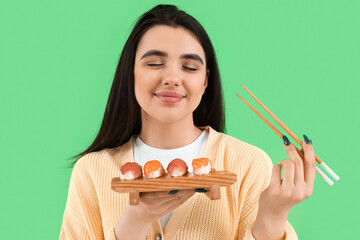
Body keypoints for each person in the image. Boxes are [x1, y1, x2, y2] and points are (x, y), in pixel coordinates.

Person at [59, 4, 316, 240]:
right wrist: (134, 222)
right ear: (130, 73)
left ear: (205, 81)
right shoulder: (92, 172)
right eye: (155, 63)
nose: (171, 77)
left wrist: (273, 216)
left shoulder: (248, 164)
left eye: (190, 67)